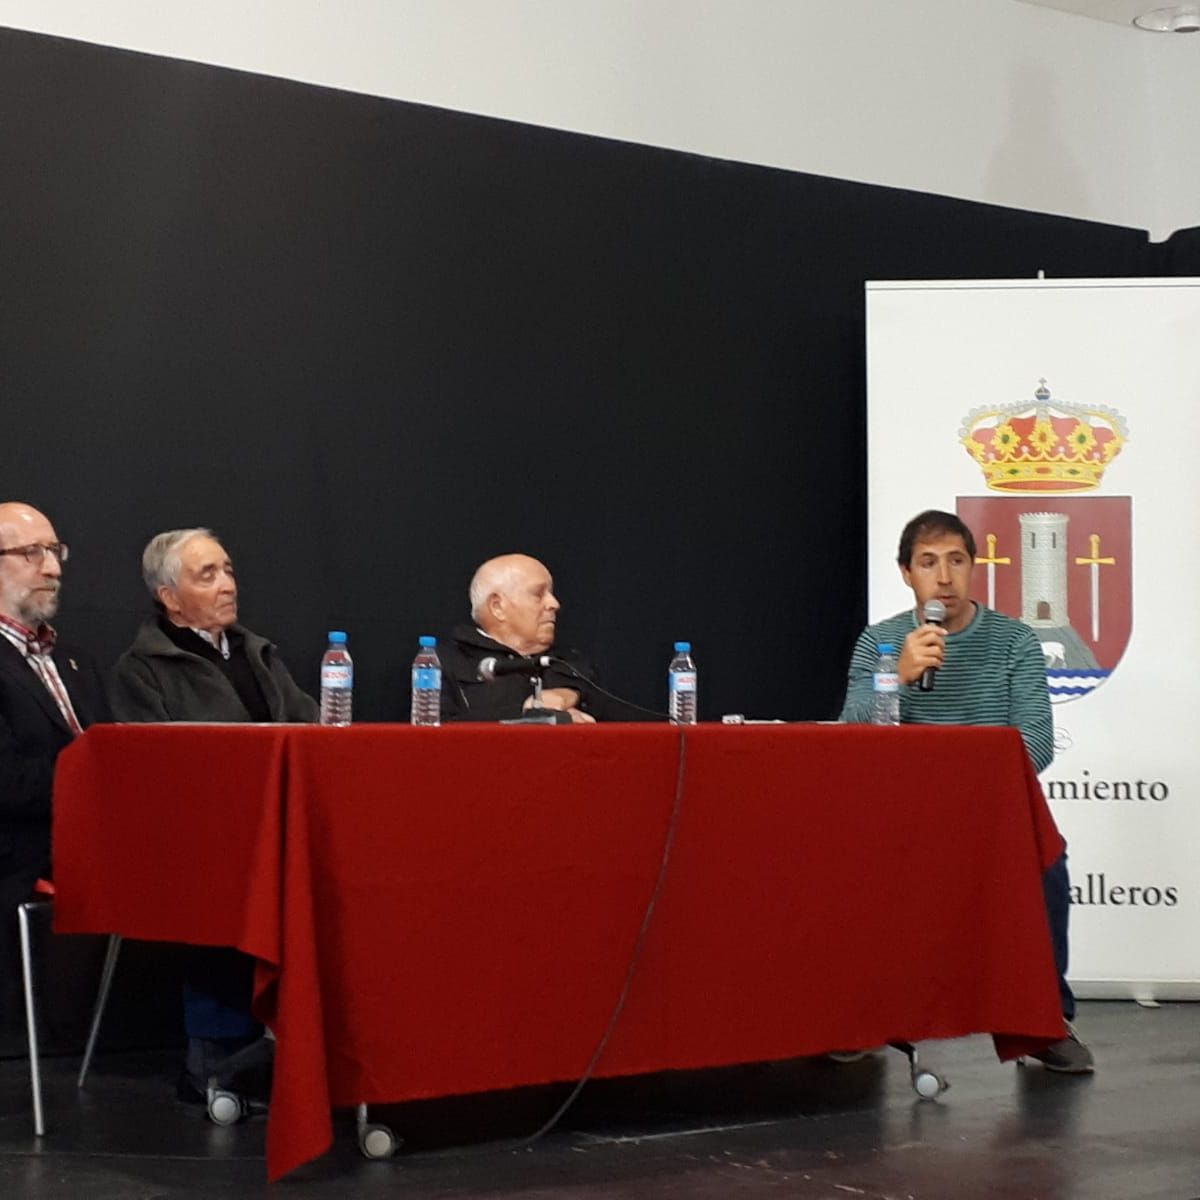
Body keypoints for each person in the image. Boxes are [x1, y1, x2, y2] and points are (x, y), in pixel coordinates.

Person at [839, 509, 1092, 1074]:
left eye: (956, 561)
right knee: (844, 860)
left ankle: (1046, 1021)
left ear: (974, 568)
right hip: (903, 815)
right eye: (929, 563)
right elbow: (852, 733)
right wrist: (897, 676)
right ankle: (860, 1016)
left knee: (1047, 861)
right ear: (906, 574)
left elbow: (1036, 742)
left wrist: (967, 789)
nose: (944, 577)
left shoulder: (1015, 640)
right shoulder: (880, 641)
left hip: (991, 815)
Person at [110, 528, 317, 1102]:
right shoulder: (142, 669)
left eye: (228, 570)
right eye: (208, 575)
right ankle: (218, 1059)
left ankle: (307, 1043)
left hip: (278, 826)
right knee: (224, 882)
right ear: (170, 598)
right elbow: (151, 774)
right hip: (196, 838)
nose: (228, 585)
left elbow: (314, 729)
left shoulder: (259, 654)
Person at [0, 502, 109, 1026]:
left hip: (95, 842)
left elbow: (109, 752)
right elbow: (7, 783)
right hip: (24, 854)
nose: (53, 567)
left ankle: (225, 1046)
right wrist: (93, 787)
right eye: (31, 552)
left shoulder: (74, 661)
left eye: (55, 551)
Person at [440, 553, 657, 723]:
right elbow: (437, 736)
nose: (554, 604)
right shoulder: (445, 664)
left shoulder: (571, 663)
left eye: (551, 594)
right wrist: (532, 715)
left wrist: (570, 695)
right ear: (497, 607)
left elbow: (626, 723)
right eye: (538, 594)